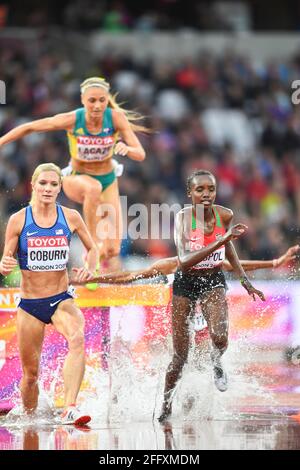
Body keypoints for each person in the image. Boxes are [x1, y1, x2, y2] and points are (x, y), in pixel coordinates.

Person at [0, 76, 149, 269]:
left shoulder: (115, 119)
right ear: (83, 100)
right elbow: (30, 127)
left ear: (106, 100)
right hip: (76, 179)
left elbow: (141, 154)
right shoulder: (73, 119)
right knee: (92, 188)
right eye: (92, 101)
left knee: (113, 250)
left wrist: (128, 150)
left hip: (109, 181)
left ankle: (90, 266)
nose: (97, 106)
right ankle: (92, 247)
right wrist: (2, 141)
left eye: (102, 101)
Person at [158, 169, 265, 422]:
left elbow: (229, 247)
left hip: (213, 280)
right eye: (199, 190)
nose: (206, 194)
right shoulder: (184, 218)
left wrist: (243, 279)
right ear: (189, 193)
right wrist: (220, 240)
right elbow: (183, 262)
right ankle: (165, 405)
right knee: (180, 357)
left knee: (219, 336)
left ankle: (216, 361)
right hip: (186, 283)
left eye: (211, 189)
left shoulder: (225, 215)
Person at [0, 163, 98, 425]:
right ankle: (29, 419)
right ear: (33, 185)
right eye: (43, 183)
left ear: (60, 187)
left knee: (77, 338)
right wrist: (4, 263)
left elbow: (93, 249)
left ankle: (70, 408)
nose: (48, 188)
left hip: (60, 299)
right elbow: (6, 257)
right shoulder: (19, 219)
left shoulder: (70, 217)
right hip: (30, 304)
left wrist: (89, 268)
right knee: (30, 375)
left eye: (54, 184)